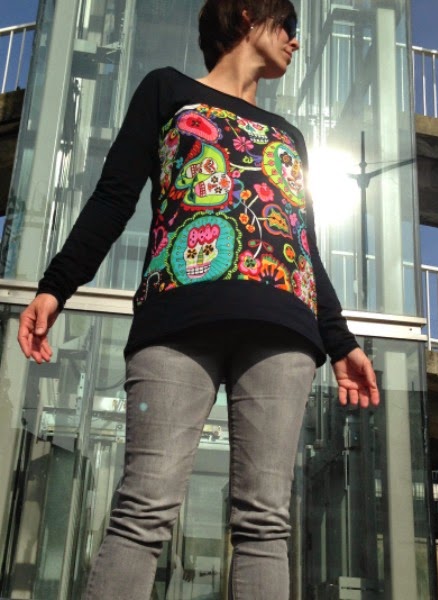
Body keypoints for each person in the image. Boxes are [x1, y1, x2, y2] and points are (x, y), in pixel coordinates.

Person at [17, 0, 379, 598]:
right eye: (288, 25)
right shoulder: (167, 91)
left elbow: (303, 246)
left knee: (265, 524)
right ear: (247, 16)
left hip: (283, 327)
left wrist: (340, 342)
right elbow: (113, 197)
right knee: (143, 509)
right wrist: (56, 286)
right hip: (177, 316)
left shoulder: (290, 136)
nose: (295, 41)